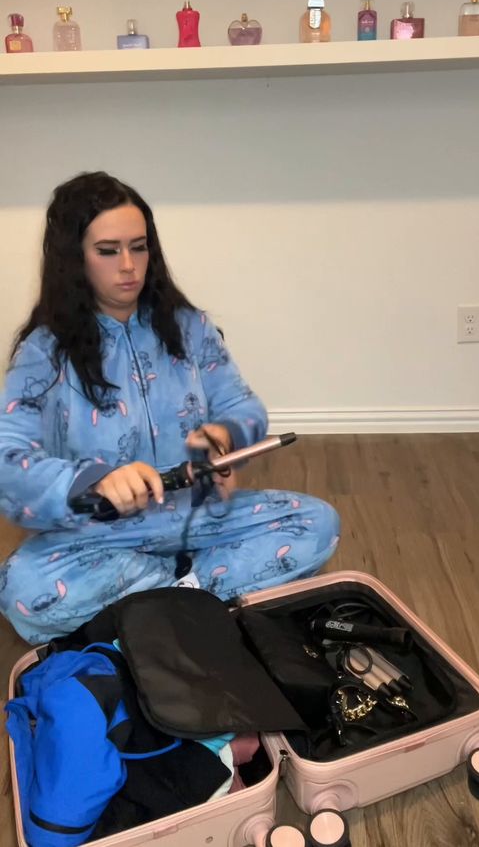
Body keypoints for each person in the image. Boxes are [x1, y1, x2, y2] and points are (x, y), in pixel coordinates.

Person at [0, 172, 339, 644]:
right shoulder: (44, 351)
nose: (128, 266)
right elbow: (8, 457)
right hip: (99, 534)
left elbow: (242, 405)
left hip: (196, 514)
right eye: (108, 250)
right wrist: (94, 481)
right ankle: (201, 595)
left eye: (139, 247)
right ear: (73, 258)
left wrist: (225, 435)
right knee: (22, 588)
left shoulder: (188, 327)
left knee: (318, 523)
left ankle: (161, 602)